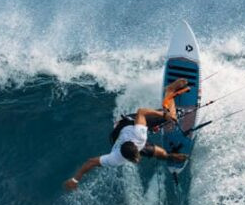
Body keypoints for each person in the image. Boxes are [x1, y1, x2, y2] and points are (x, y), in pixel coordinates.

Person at [63, 79, 191, 192]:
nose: (137, 161)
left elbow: (141, 111)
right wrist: (75, 180)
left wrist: (164, 115)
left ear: (136, 148)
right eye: (134, 159)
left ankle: (170, 90)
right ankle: (170, 156)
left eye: (136, 157)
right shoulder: (115, 158)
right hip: (119, 134)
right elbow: (91, 162)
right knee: (160, 154)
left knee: (172, 117)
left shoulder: (139, 136)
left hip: (129, 123)